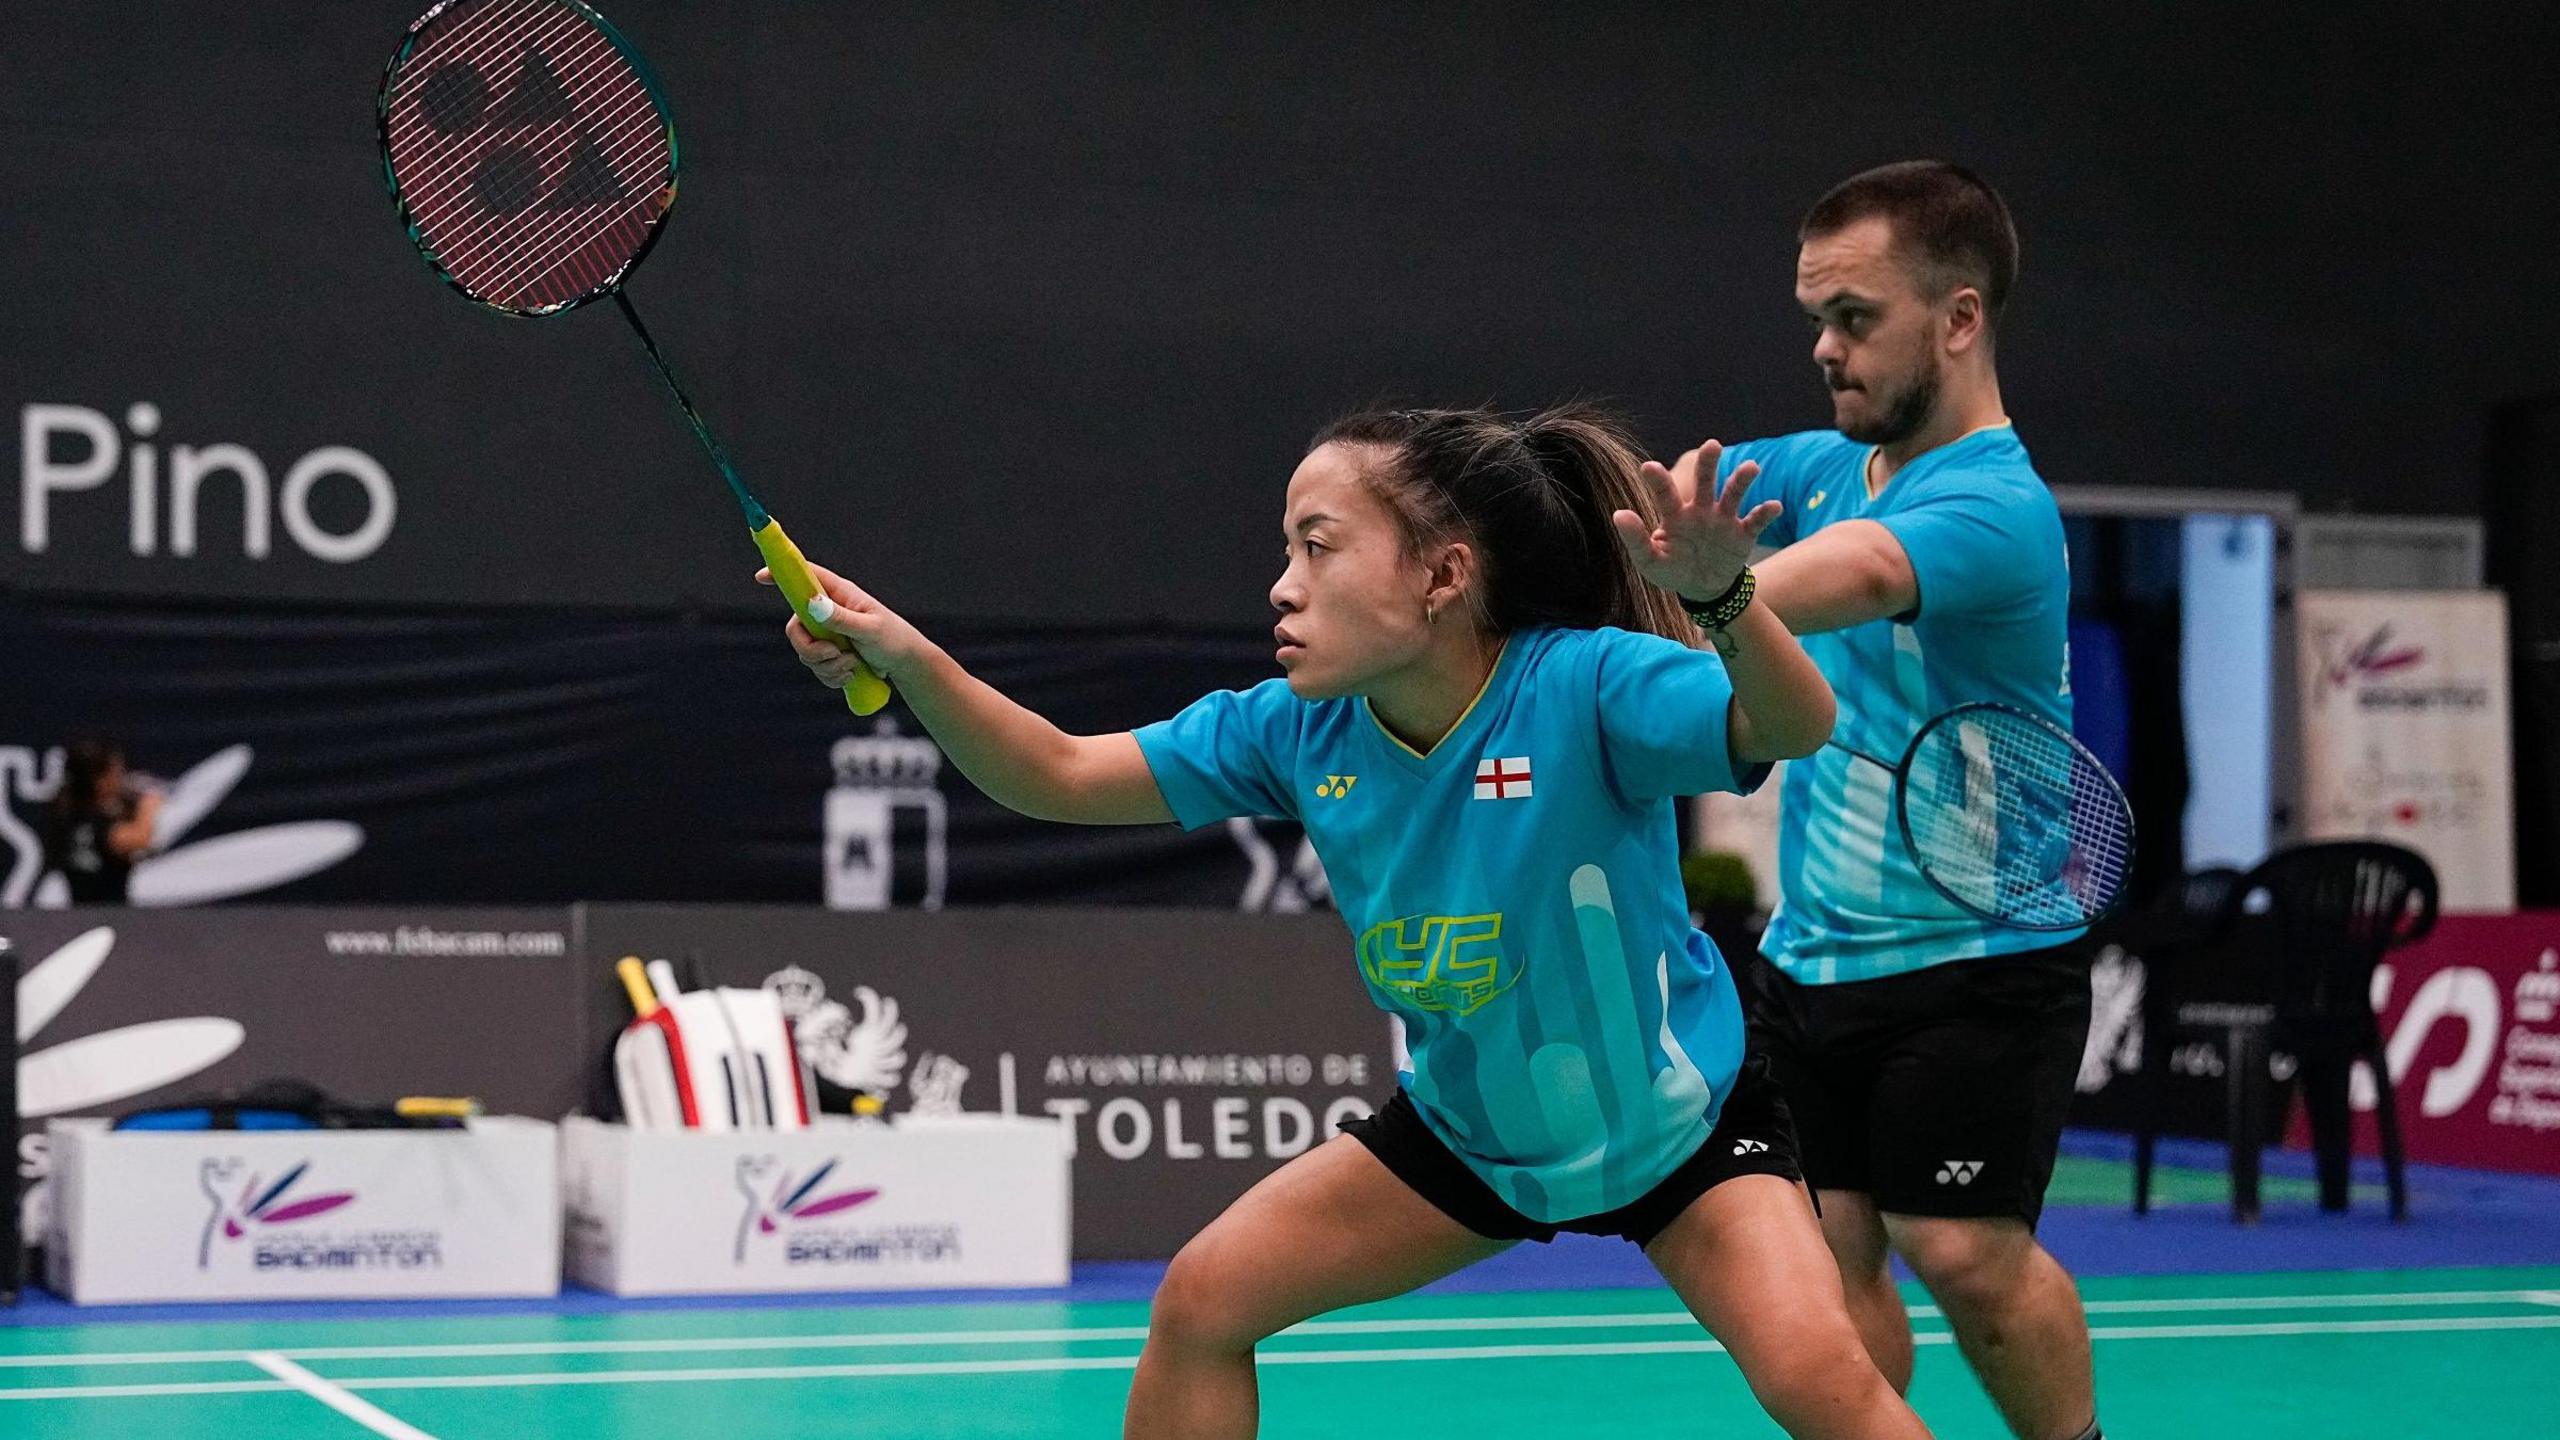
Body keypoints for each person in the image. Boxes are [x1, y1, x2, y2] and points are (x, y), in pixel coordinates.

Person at [772, 404, 1929, 1439]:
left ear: (1441, 577)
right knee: (1202, 1303)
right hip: (1472, 1143)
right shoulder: (1293, 729)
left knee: (1819, 1381)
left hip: (1680, 1133)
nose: (1282, 585)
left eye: (1317, 548)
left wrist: (1726, 599)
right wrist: (909, 658)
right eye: (1288, 550)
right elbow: (1062, 775)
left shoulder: (1585, 686)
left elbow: (1789, 725)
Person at [1718, 161, 2101, 1440]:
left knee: (1962, 1253)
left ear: (1958, 318)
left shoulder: (1996, 508)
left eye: (1854, 318)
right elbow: (1649, 497)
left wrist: (1700, 582)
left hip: (1978, 957)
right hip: (1813, 958)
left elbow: (1842, 578)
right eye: (1814, 318)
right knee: (1827, 1271)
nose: (1824, 349)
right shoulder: (1818, 465)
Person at [42, 734, 162, 905]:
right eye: (116, 773)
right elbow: (139, 838)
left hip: (77, 910)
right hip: (110, 913)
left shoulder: (62, 814)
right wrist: (148, 808)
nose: (120, 778)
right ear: (100, 781)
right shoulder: (97, 822)